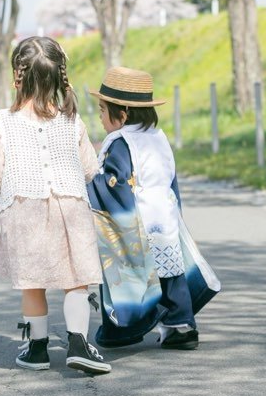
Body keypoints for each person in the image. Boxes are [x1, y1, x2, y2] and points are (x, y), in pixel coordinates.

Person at [0, 36, 111, 375]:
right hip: (72, 208)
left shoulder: (4, 122)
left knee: (33, 281)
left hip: (24, 210)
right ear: (59, 76)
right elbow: (91, 168)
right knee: (76, 279)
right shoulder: (72, 122)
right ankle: (78, 342)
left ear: (17, 77)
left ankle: (37, 348)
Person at [89, 67, 208, 350]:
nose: (100, 117)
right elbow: (171, 178)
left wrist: (90, 184)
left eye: (103, 110)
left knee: (131, 277)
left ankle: (124, 330)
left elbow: (114, 184)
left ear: (124, 112)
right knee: (171, 274)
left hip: (137, 221)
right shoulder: (157, 136)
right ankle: (181, 327)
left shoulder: (121, 143)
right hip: (164, 217)